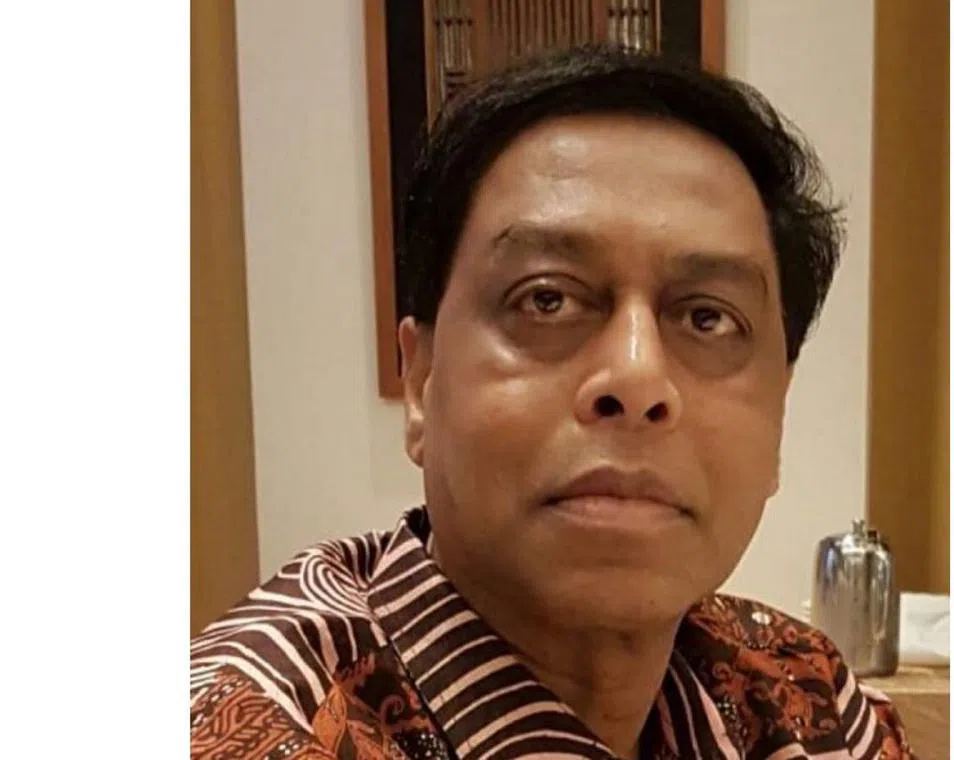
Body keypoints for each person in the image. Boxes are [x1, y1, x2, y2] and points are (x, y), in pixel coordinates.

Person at [191, 46, 913, 760]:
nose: (637, 378)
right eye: (547, 300)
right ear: (420, 382)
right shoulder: (241, 728)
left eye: (707, 318)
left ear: (779, 413)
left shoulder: (809, 700)